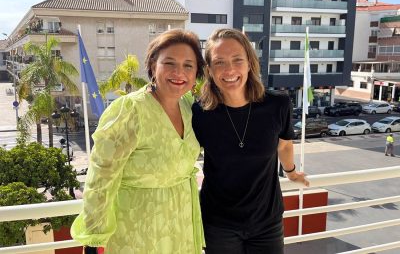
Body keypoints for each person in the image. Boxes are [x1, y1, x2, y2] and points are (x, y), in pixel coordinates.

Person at [71, 29, 206, 254]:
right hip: (138, 229)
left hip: (181, 225)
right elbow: (101, 176)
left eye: (188, 65)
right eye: (169, 63)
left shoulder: (189, 107)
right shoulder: (130, 110)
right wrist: (94, 239)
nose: (179, 72)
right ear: (154, 65)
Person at [192, 28, 309, 254]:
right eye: (219, 62)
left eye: (237, 60)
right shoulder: (200, 112)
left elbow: (284, 144)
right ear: (209, 70)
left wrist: (292, 172)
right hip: (218, 224)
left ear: (249, 63)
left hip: (267, 222)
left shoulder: (278, 104)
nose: (230, 70)